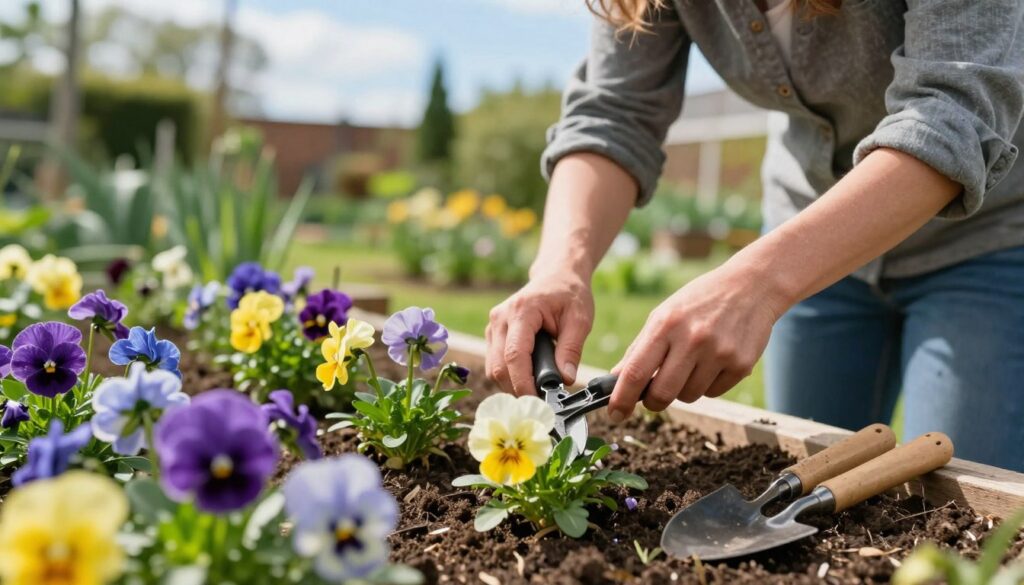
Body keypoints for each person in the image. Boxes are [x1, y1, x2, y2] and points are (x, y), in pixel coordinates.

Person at [484, 0, 1024, 471]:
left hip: (989, 241)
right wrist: (561, 267)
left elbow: (952, 111)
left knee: (963, 514)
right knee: (805, 482)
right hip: (811, 235)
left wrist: (756, 284)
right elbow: (614, 111)